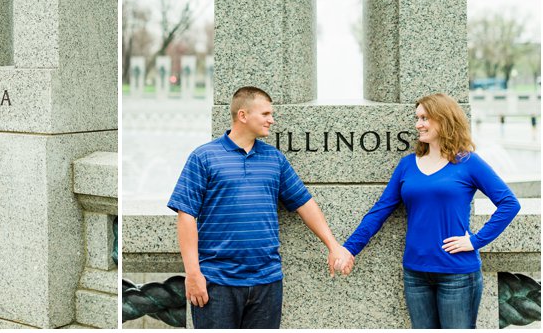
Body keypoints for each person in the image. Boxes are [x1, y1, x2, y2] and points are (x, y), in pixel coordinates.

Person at [168, 86, 351, 329]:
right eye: (265, 114)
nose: (271, 120)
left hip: (267, 282)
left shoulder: (274, 159)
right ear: (243, 115)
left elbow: (304, 204)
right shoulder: (204, 157)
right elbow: (186, 216)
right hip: (217, 282)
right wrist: (192, 274)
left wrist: (333, 245)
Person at [337, 92, 521, 329]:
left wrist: (475, 241)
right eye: (417, 118)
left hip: (457, 274)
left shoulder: (467, 162)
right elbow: (379, 211)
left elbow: (509, 203)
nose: (418, 124)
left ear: (443, 119)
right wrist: (349, 248)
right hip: (416, 273)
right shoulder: (407, 165)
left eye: (424, 118)